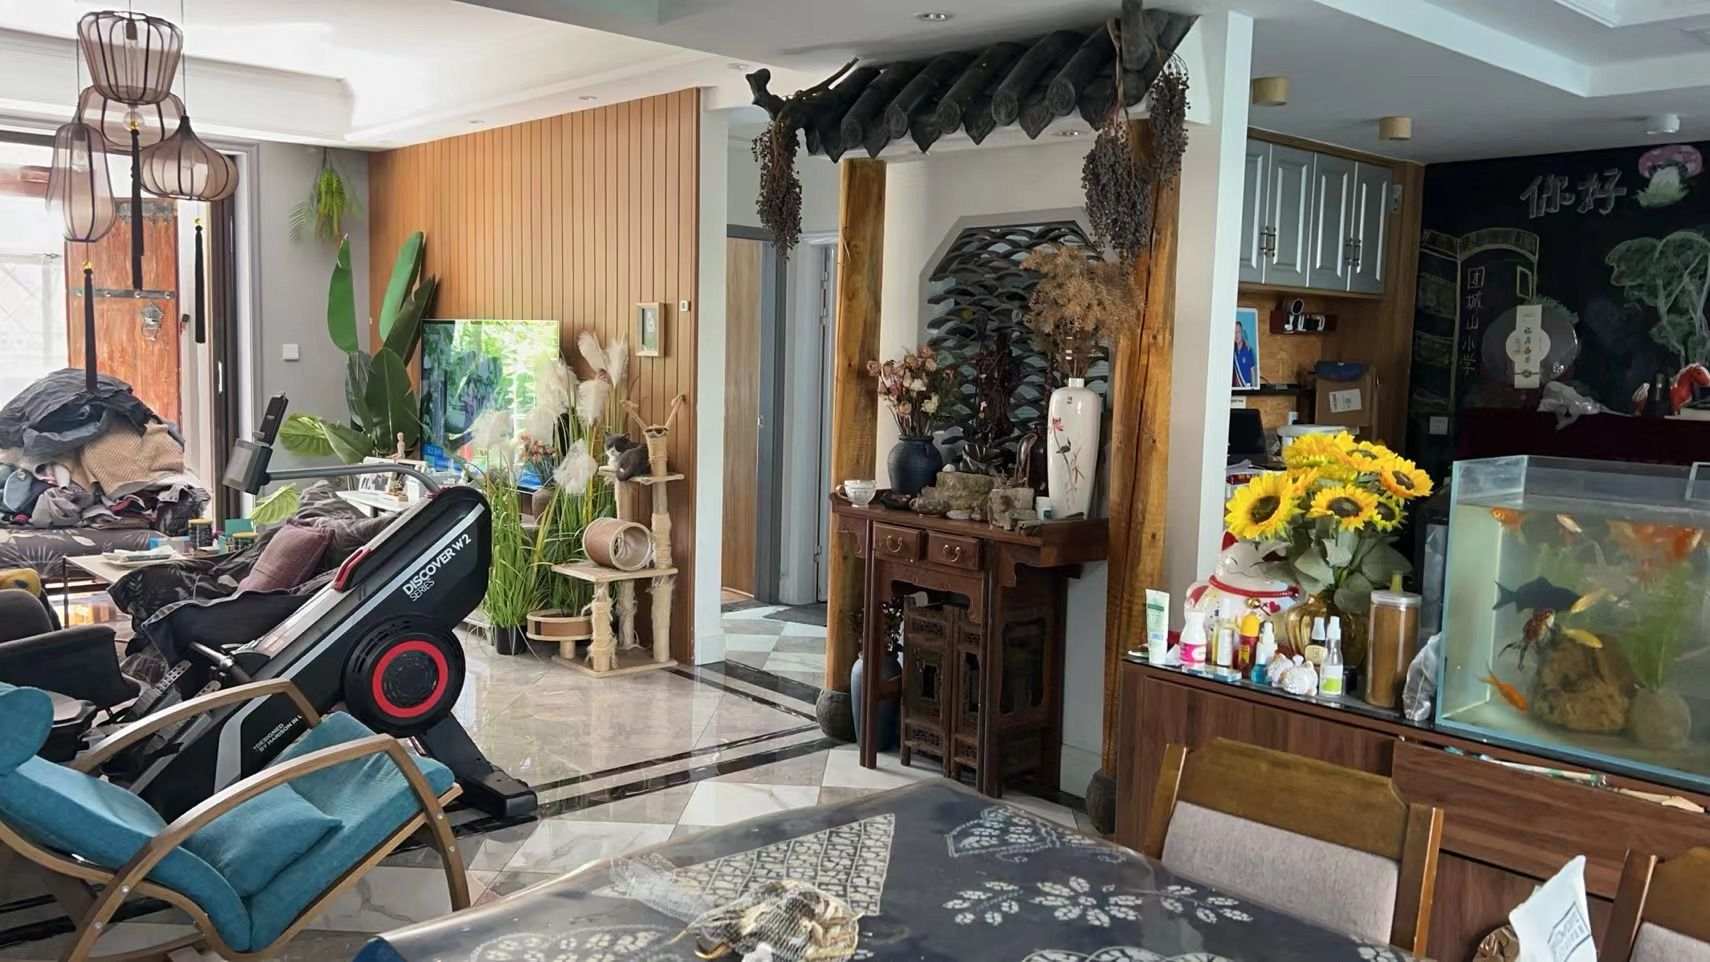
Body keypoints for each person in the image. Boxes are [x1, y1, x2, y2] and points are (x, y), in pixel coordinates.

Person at [1233, 319, 1258, 388]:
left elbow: (1253, 372)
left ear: (1242, 333)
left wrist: (1253, 389)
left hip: (1246, 389)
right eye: (1234, 332)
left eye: (1238, 332)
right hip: (1235, 390)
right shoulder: (1231, 352)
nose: (1236, 335)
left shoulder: (1249, 350)